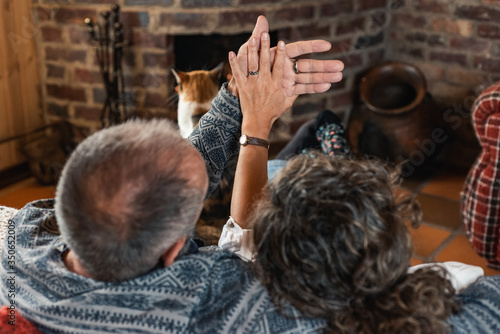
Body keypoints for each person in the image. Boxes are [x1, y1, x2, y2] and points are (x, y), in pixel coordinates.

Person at [0, 16, 343, 332]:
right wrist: (255, 127)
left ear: (61, 205)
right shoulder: (206, 303)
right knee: (301, 162)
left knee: (290, 158)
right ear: (174, 252)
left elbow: (168, 176)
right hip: (271, 219)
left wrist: (238, 96)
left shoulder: (19, 239)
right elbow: (252, 258)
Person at [225, 42, 500, 333]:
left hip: (286, 194)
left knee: (289, 165)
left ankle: (324, 153)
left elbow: (243, 236)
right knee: (306, 153)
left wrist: (254, 123)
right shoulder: (457, 284)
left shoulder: (243, 297)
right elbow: (245, 239)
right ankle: (334, 156)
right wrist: (257, 125)